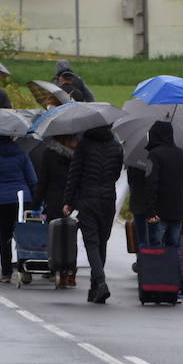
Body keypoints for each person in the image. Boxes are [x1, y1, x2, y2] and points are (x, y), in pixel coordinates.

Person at [64, 125, 125, 303]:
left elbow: (74, 174)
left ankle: (100, 282)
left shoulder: (84, 145)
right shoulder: (116, 145)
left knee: (91, 242)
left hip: (87, 199)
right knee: (102, 242)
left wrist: (69, 200)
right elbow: (116, 173)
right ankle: (94, 288)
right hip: (107, 200)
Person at [0, 134, 38, 284]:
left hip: (0, 200)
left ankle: (6, 273)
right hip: (22, 200)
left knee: (4, 237)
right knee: (24, 236)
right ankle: (25, 270)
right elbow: (33, 179)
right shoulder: (22, 155)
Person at [33, 133, 78, 286]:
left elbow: (43, 180)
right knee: (71, 236)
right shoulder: (77, 154)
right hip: (72, 200)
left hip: (53, 200)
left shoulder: (49, 154)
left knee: (53, 236)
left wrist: (36, 203)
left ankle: (54, 269)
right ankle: (70, 270)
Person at [142, 120, 183, 250]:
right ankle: (172, 270)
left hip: (159, 211)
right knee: (174, 247)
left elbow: (151, 182)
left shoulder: (154, 155)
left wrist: (150, 210)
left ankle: (158, 270)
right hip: (177, 209)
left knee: (156, 247)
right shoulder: (182, 154)